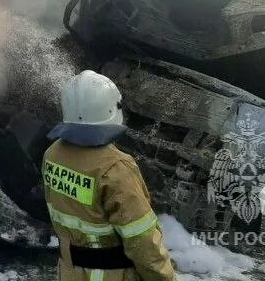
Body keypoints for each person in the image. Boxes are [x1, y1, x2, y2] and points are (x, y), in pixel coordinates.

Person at [43, 70, 176, 281]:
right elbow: (143, 241)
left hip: (69, 272)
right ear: (112, 108)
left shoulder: (52, 155)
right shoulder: (116, 168)